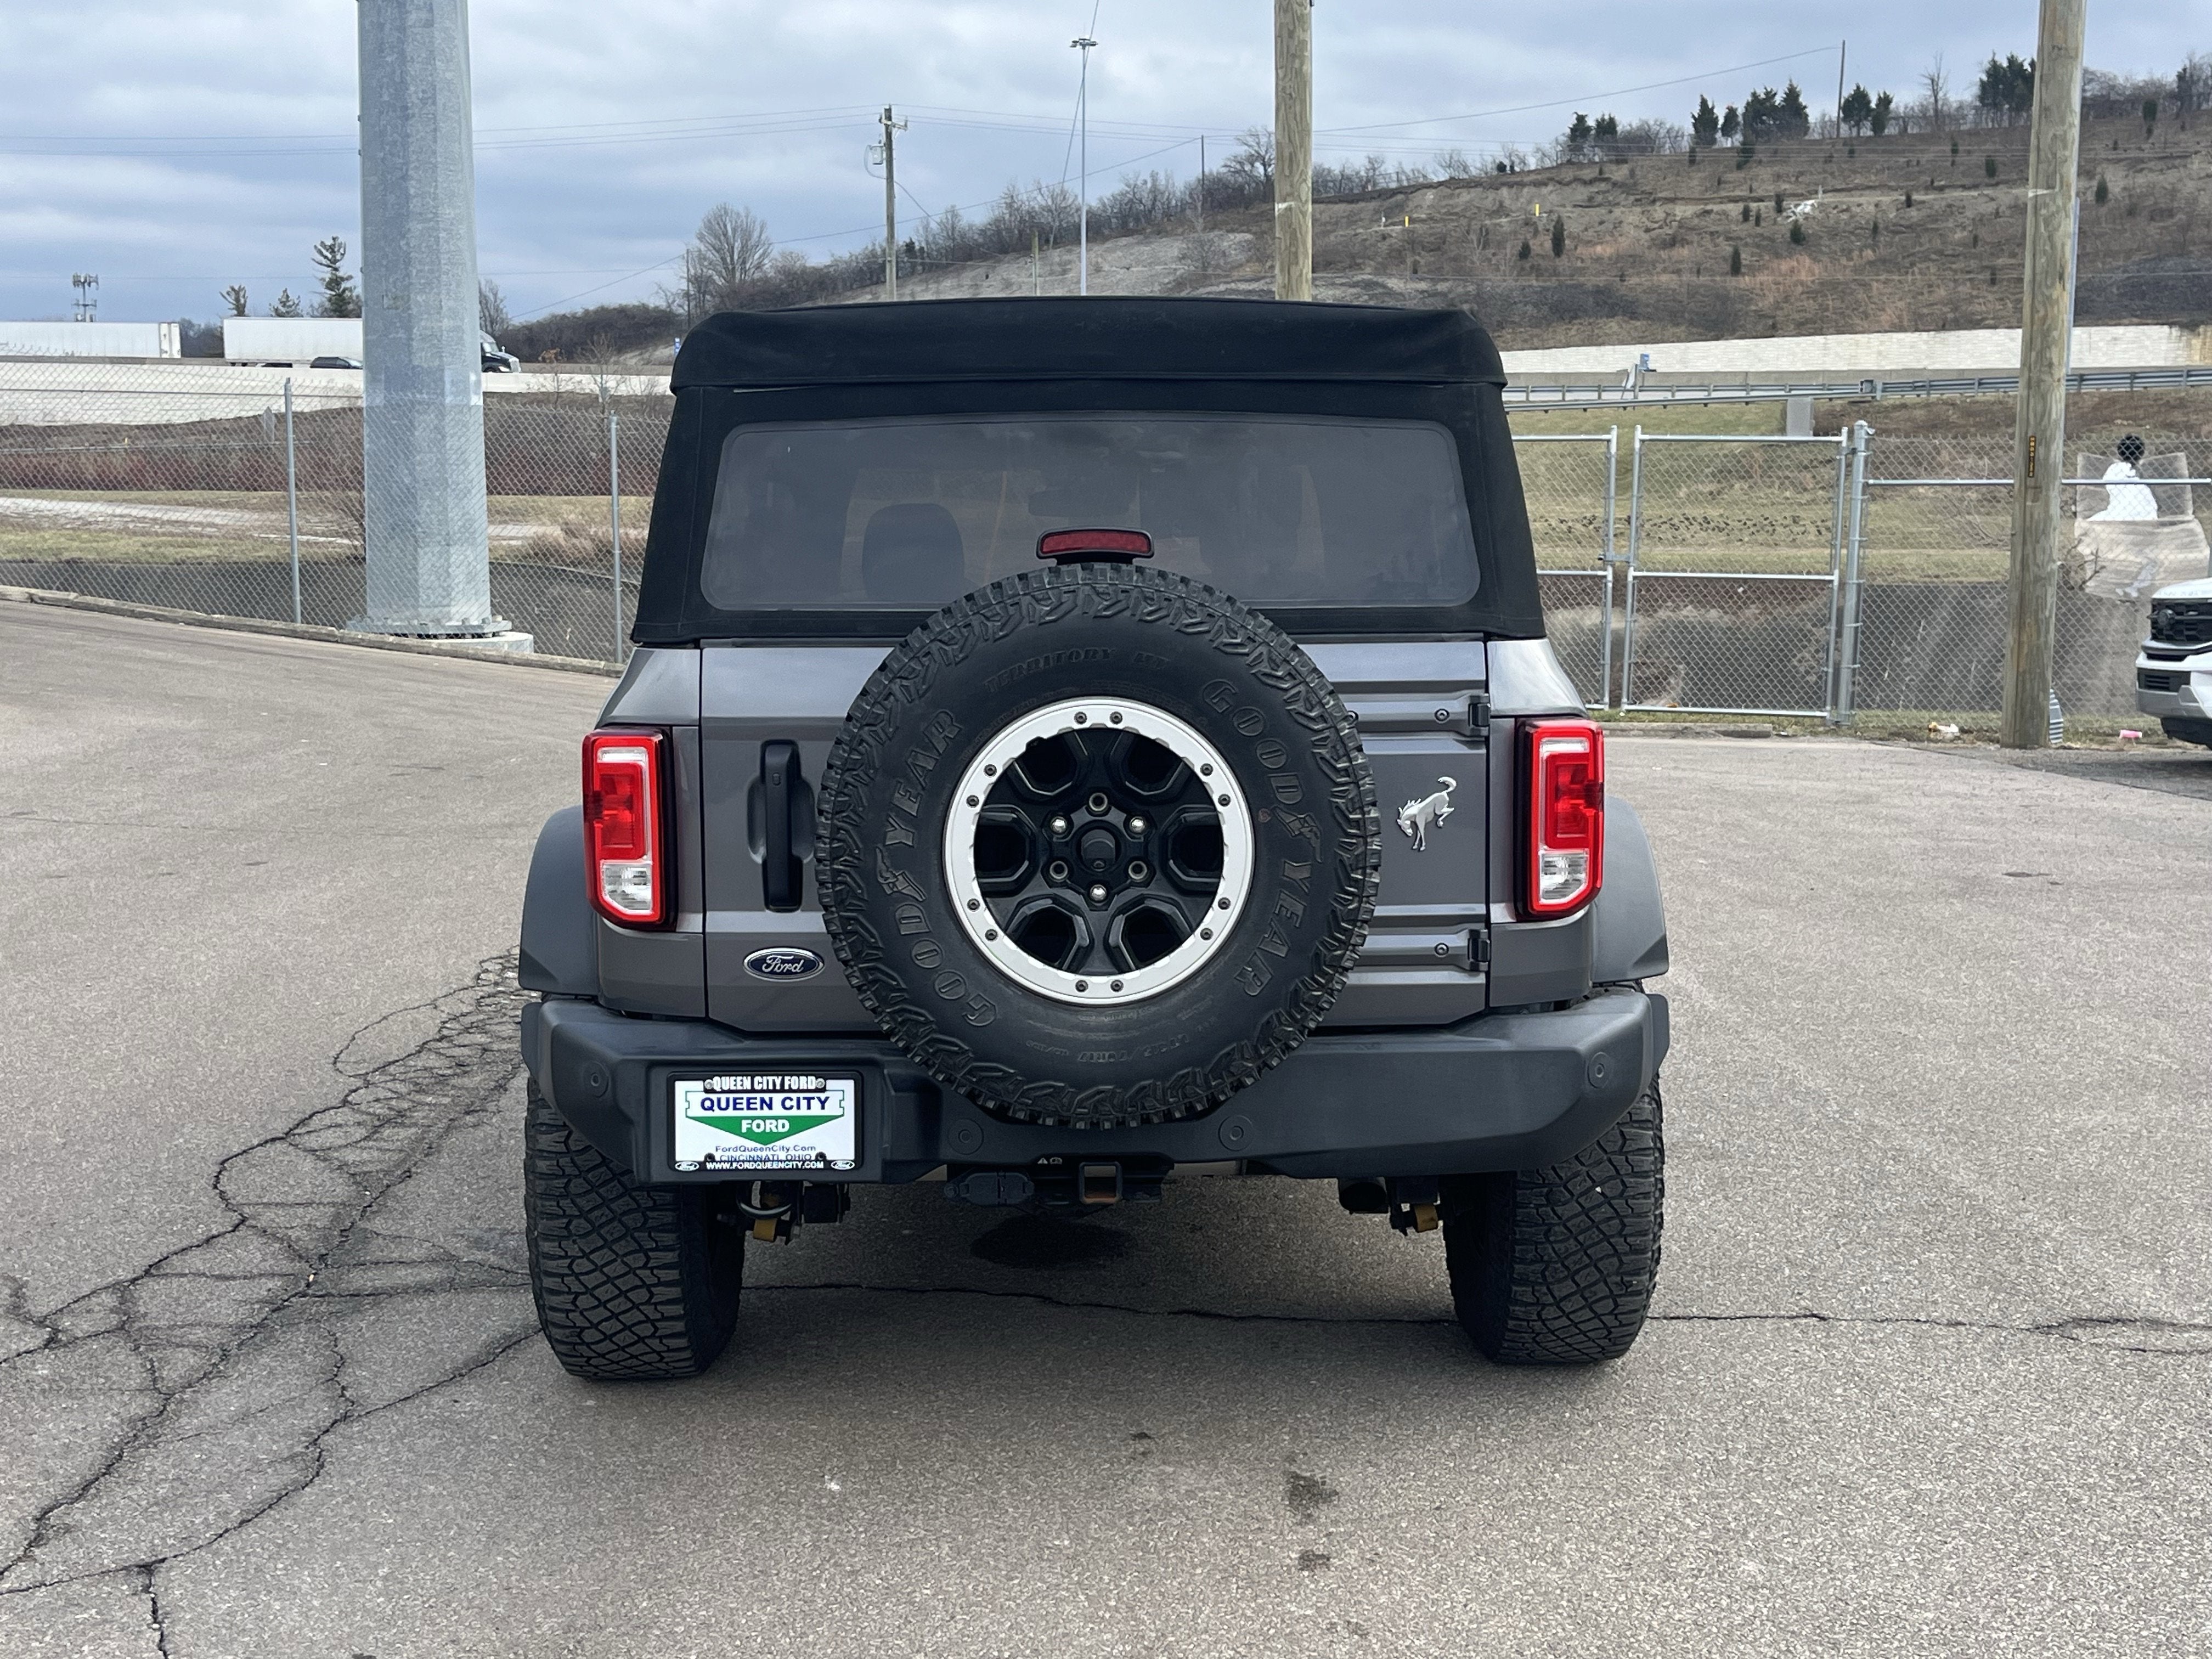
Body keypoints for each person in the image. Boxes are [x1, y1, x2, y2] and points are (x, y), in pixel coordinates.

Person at [2091, 433, 2159, 522]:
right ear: (2142, 453)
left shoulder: (2114, 469)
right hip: (2147, 514)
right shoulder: (2145, 470)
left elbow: (2108, 488)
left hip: (2119, 512)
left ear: (2120, 451)